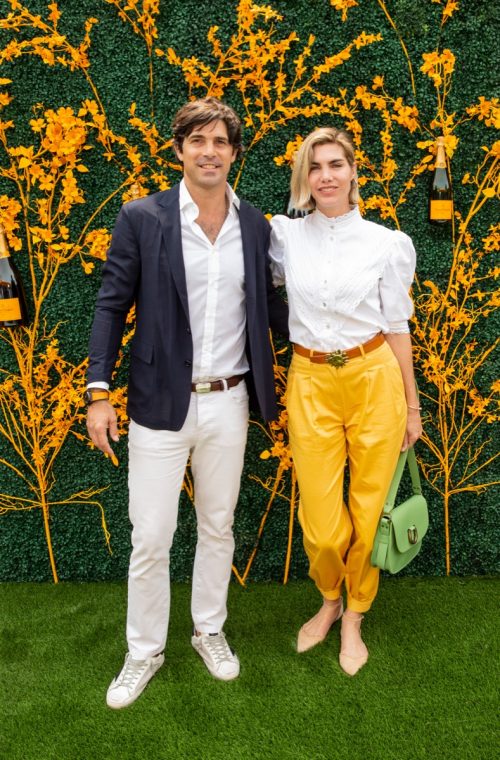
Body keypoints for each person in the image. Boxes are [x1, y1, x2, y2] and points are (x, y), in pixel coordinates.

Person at [86, 97, 288, 709]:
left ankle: (209, 630)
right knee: (151, 534)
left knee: (218, 525)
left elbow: (275, 310)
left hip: (230, 401)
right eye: (197, 141)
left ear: (234, 153)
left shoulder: (255, 225)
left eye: (220, 142)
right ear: (178, 150)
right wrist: (98, 390)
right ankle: (143, 651)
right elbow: (111, 304)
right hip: (158, 403)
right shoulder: (141, 217)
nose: (209, 152)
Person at [269, 127, 422, 676]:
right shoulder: (281, 237)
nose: (326, 176)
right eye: (315, 167)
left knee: (368, 508)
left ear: (354, 171)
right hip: (310, 379)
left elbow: (398, 325)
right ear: (304, 177)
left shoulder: (385, 243)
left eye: (335, 164)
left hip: (374, 376)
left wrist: (411, 405)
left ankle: (354, 612)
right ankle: (328, 596)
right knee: (322, 523)